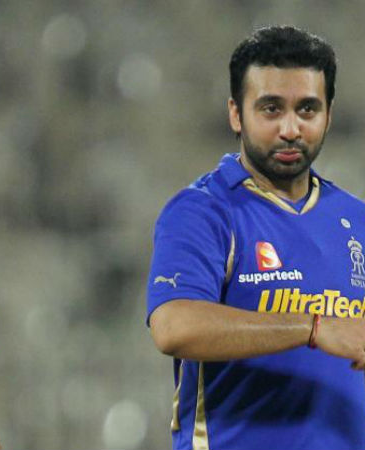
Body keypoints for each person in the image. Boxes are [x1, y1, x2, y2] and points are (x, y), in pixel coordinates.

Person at [147, 25, 365, 450]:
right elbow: (173, 327)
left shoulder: (356, 219)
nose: (290, 128)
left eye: (307, 109)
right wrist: (314, 328)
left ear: (328, 115)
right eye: (271, 109)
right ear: (236, 114)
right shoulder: (204, 210)